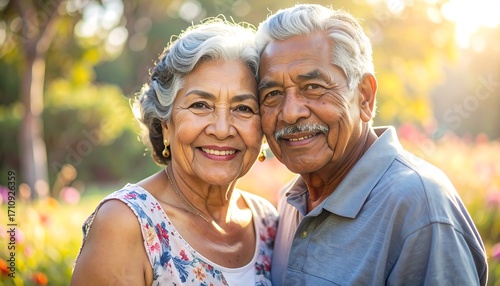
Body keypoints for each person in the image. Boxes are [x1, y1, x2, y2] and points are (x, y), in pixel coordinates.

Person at [255, 4, 488, 285]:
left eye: (313, 87)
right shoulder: (291, 202)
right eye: (273, 93)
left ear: (364, 97)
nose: (291, 112)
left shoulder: (419, 207)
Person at [71, 18, 277, 285]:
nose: (223, 129)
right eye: (201, 105)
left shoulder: (268, 222)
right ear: (165, 123)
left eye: (243, 108)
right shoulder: (127, 223)